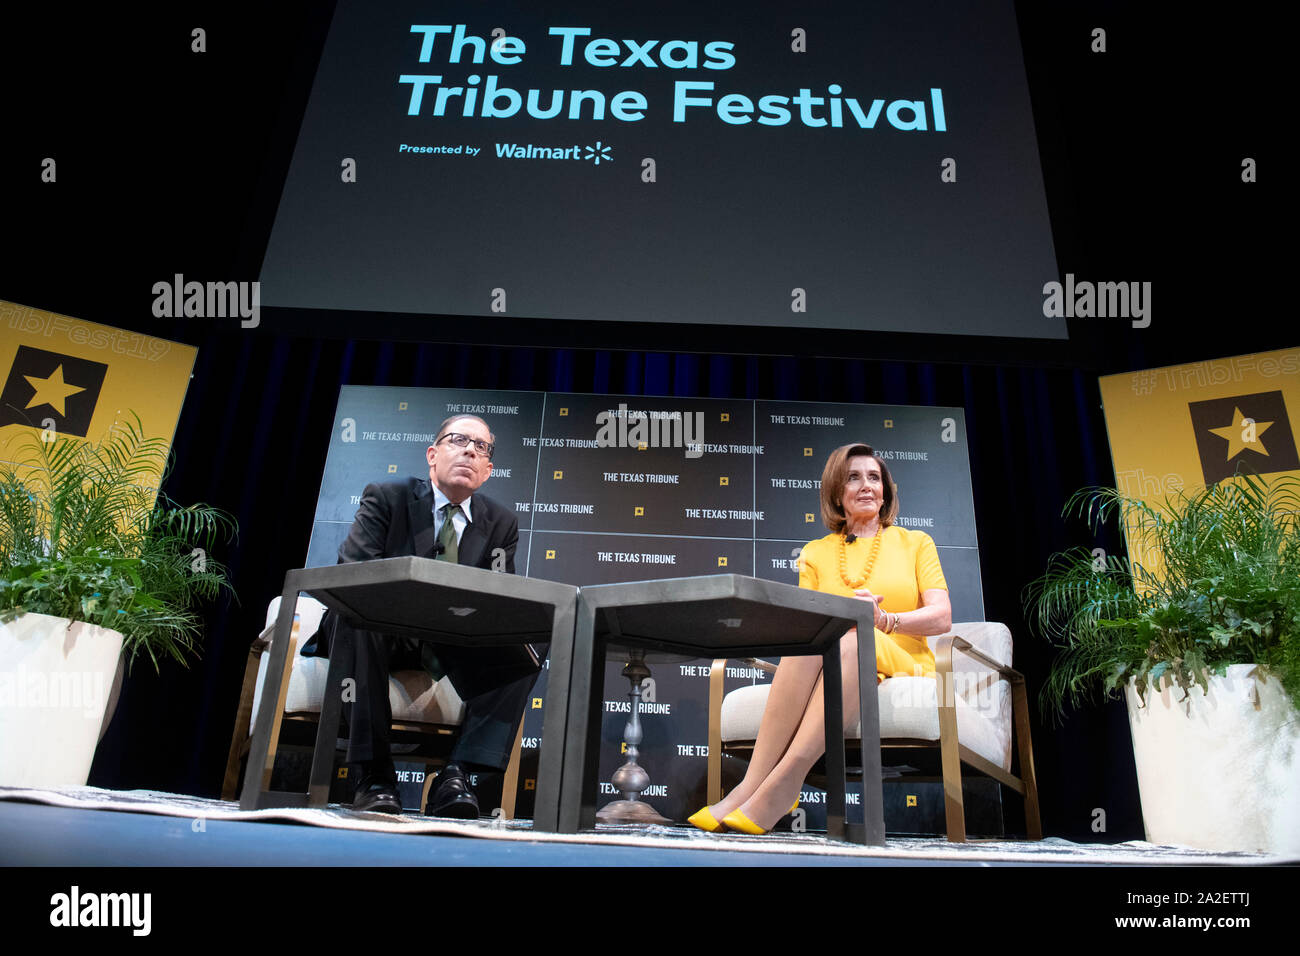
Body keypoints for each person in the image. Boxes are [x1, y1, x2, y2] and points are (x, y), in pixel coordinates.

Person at [688, 442, 952, 834]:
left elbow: (942, 616)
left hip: (900, 655)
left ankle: (787, 780)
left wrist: (885, 620)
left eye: (874, 478)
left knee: (850, 636)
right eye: (853, 478)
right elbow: (808, 621)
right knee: (810, 641)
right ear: (836, 492)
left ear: (886, 490)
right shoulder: (815, 552)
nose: (866, 486)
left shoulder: (915, 543)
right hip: (840, 652)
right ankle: (750, 785)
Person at [301, 414, 539, 816]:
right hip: (377, 630)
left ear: (487, 471)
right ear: (432, 454)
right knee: (357, 611)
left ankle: (456, 775)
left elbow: (501, 601)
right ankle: (373, 772)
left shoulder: (501, 523)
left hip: (447, 641)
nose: (469, 450)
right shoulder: (387, 496)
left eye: (481, 447)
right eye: (458, 440)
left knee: (528, 638)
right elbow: (354, 568)